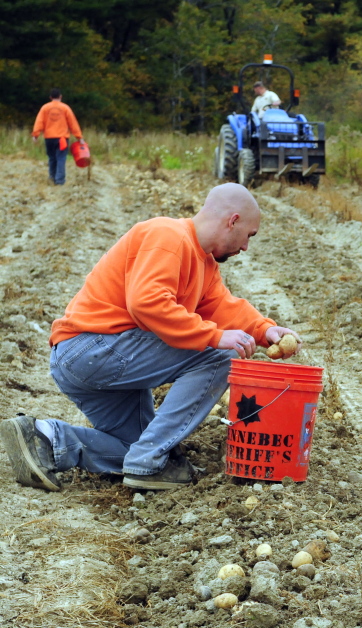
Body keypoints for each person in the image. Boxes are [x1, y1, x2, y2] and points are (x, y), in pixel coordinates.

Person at [0, 183, 301, 491]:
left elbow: (222, 306)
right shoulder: (169, 235)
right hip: (92, 347)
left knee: (143, 445)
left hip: (95, 358)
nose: (246, 247)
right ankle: (147, 462)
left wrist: (265, 330)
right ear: (232, 220)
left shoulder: (204, 263)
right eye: (249, 235)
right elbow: (146, 302)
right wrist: (214, 337)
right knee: (223, 356)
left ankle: (47, 439)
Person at [32, 88, 83, 186]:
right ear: (60, 97)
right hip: (62, 139)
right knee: (61, 158)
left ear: (50, 97)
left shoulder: (45, 108)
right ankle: (59, 181)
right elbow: (73, 123)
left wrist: (35, 135)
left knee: (52, 158)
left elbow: (39, 122)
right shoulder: (65, 108)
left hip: (49, 138)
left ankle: (52, 177)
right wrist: (79, 137)